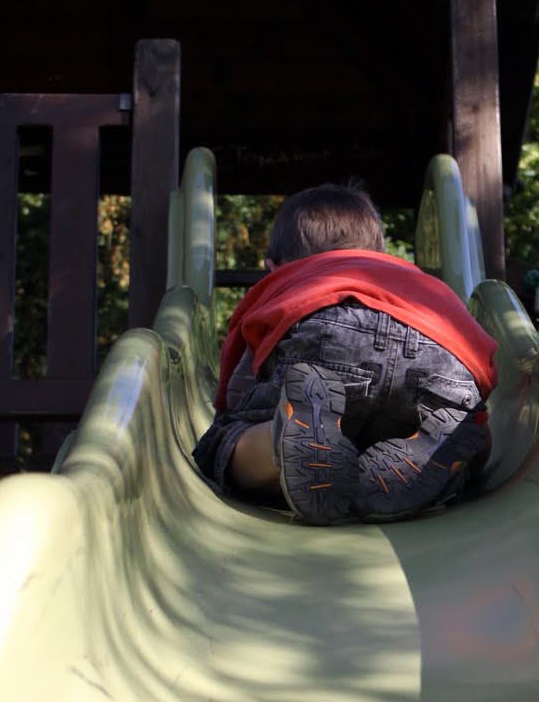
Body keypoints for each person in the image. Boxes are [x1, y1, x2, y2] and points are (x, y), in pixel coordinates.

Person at [192, 183, 497, 522]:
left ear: (273, 266)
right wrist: (477, 424)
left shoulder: (286, 281)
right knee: (464, 445)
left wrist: (230, 414)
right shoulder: (419, 283)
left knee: (223, 445)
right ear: (381, 253)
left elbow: (238, 371)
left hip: (330, 336)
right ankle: (437, 449)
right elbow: (478, 358)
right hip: (441, 355)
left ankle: (287, 436)